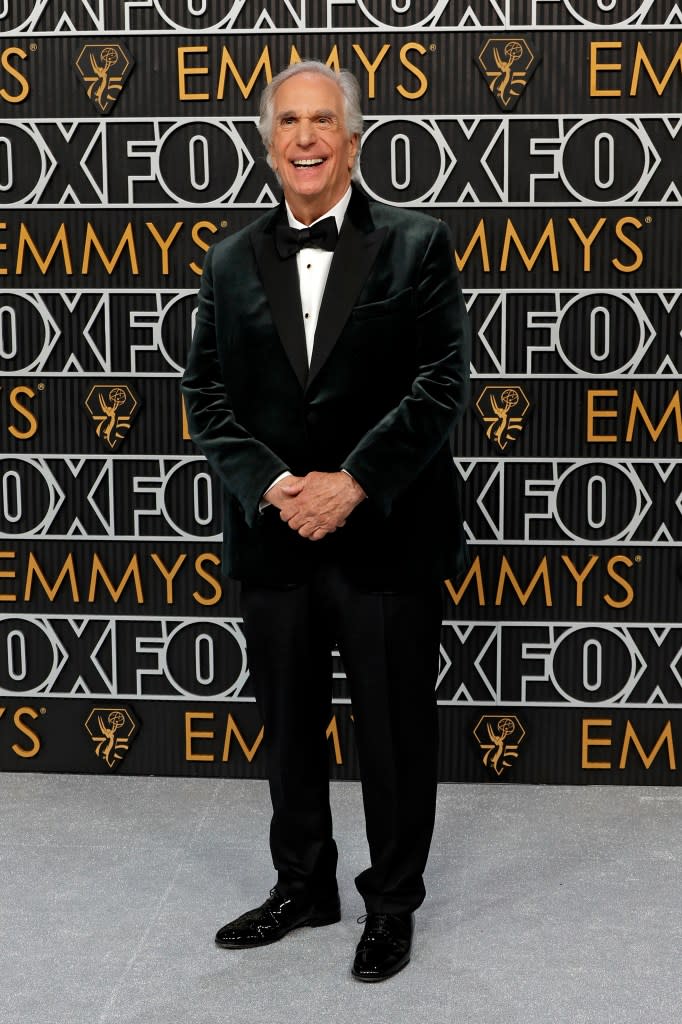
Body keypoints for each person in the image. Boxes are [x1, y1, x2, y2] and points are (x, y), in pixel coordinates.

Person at [181, 59, 470, 982]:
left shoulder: (417, 244)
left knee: (392, 731)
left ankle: (391, 904)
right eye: (288, 123)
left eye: (322, 122)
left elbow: (439, 386)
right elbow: (209, 393)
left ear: (353, 139)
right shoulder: (229, 259)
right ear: (269, 143)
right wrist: (275, 487)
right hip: (274, 537)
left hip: (386, 531)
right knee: (289, 724)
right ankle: (303, 884)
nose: (305, 138)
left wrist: (350, 483)